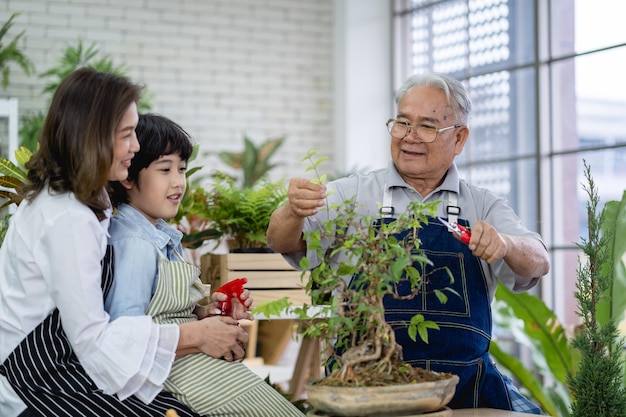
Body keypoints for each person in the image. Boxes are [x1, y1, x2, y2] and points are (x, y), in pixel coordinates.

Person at [266, 72, 550, 413]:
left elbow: (539, 260)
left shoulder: (482, 204)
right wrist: (293, 210)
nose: (409, 137)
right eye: (402, 123)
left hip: (465, 386)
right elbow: (281, 240)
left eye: (427, 127)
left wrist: (505, 243)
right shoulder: (352, 194)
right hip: (368, 383)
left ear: (459, 139)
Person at [0, 67, 241, 417]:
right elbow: (92, 339)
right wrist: (198, 335)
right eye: (126, 134)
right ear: (92, 137)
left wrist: (201, 314)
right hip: (34, 376)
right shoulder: (66, 216)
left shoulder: (88, 197)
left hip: (63, 359)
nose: (136, 146)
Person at [105, 113, 304, 417]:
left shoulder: (159, 236)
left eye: (182, 169)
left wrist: (209, 313)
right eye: (164, 169)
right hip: (172, 378)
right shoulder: (133, 242)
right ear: (128, 176)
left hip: (192, 367)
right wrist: (202, 336)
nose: (178, 182)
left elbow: (163, 312)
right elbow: (126, 339)